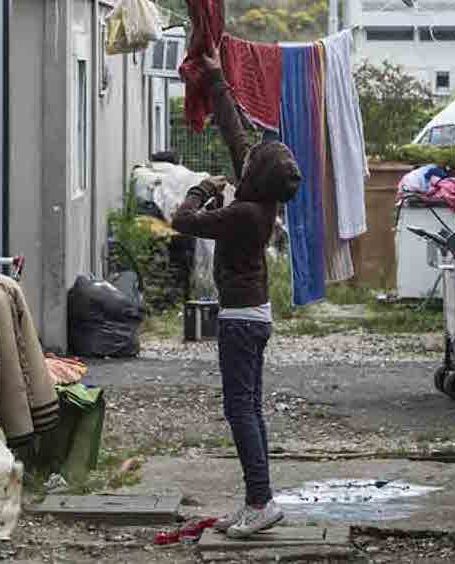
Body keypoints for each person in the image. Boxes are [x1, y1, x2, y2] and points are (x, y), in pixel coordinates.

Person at [171, 45, 302, 539]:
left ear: (257, 177)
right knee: (249, 406)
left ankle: (260, 500)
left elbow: (184, 221)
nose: (243, 161)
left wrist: (202, 189)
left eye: (250, 163)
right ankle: (258, 497)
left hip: (241, 322)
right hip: (253, 316)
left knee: (240, 408)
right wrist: (217, 81)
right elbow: (236, 133)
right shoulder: (258, 198)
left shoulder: (245, 214)